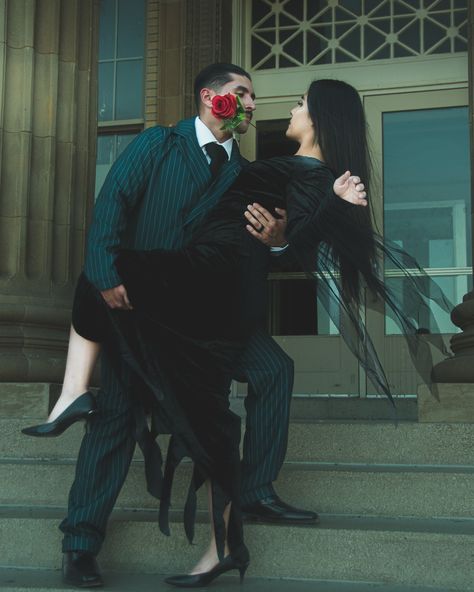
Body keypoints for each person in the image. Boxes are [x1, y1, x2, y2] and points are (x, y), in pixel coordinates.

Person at [21, 68, 371, 589]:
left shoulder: (250, 171)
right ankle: (79, 544)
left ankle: (253, 493)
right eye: (242, 94)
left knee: (273, 369)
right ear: (211, 98)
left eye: (255, 96)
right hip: (139, 305)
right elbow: (110, 208)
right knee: (117, 415)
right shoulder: (158, 145)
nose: (253, 104)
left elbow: (265, 247)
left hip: (213, 312)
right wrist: (104, 277)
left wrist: (277, 239)